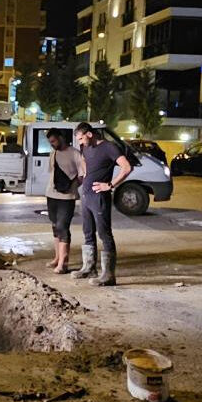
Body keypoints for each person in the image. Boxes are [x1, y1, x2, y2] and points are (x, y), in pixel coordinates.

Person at [71, 122, 133, 286]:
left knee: (104, 234)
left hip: (99, 197)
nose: (80, 143)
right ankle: (89, 268)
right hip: (86, 196)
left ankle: (108, 275)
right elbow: (84, 161)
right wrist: (84, 176)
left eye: (82, 138)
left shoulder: (109, 147)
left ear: (90, 134)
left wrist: (110, 185)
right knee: (88, 232)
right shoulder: (86, 147)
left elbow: (126, 167)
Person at [44, 129, 84, 274]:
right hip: (52, 195)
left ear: (61, 138)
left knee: (63, 227)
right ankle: (57, 258)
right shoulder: (53, 154)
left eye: (54, 141)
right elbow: (52, 173)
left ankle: (63, 263)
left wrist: (72, 187)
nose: (52, 144)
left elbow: (82, 174)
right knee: (55, 226)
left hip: (67, 198)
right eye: (50, 142)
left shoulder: (75, 154)